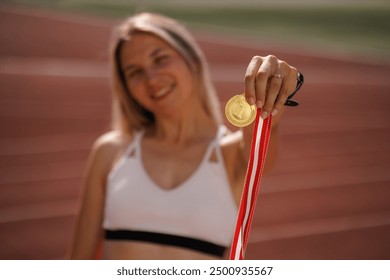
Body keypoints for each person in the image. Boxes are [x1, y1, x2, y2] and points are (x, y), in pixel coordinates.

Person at [68, 12, 302, 260]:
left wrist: (275, 82)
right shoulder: (110, 152)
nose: (152, 79)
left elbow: (263, 130)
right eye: (134, 72)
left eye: (160, 59)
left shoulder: (231, 156)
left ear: (192, 59)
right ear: (125, 87)